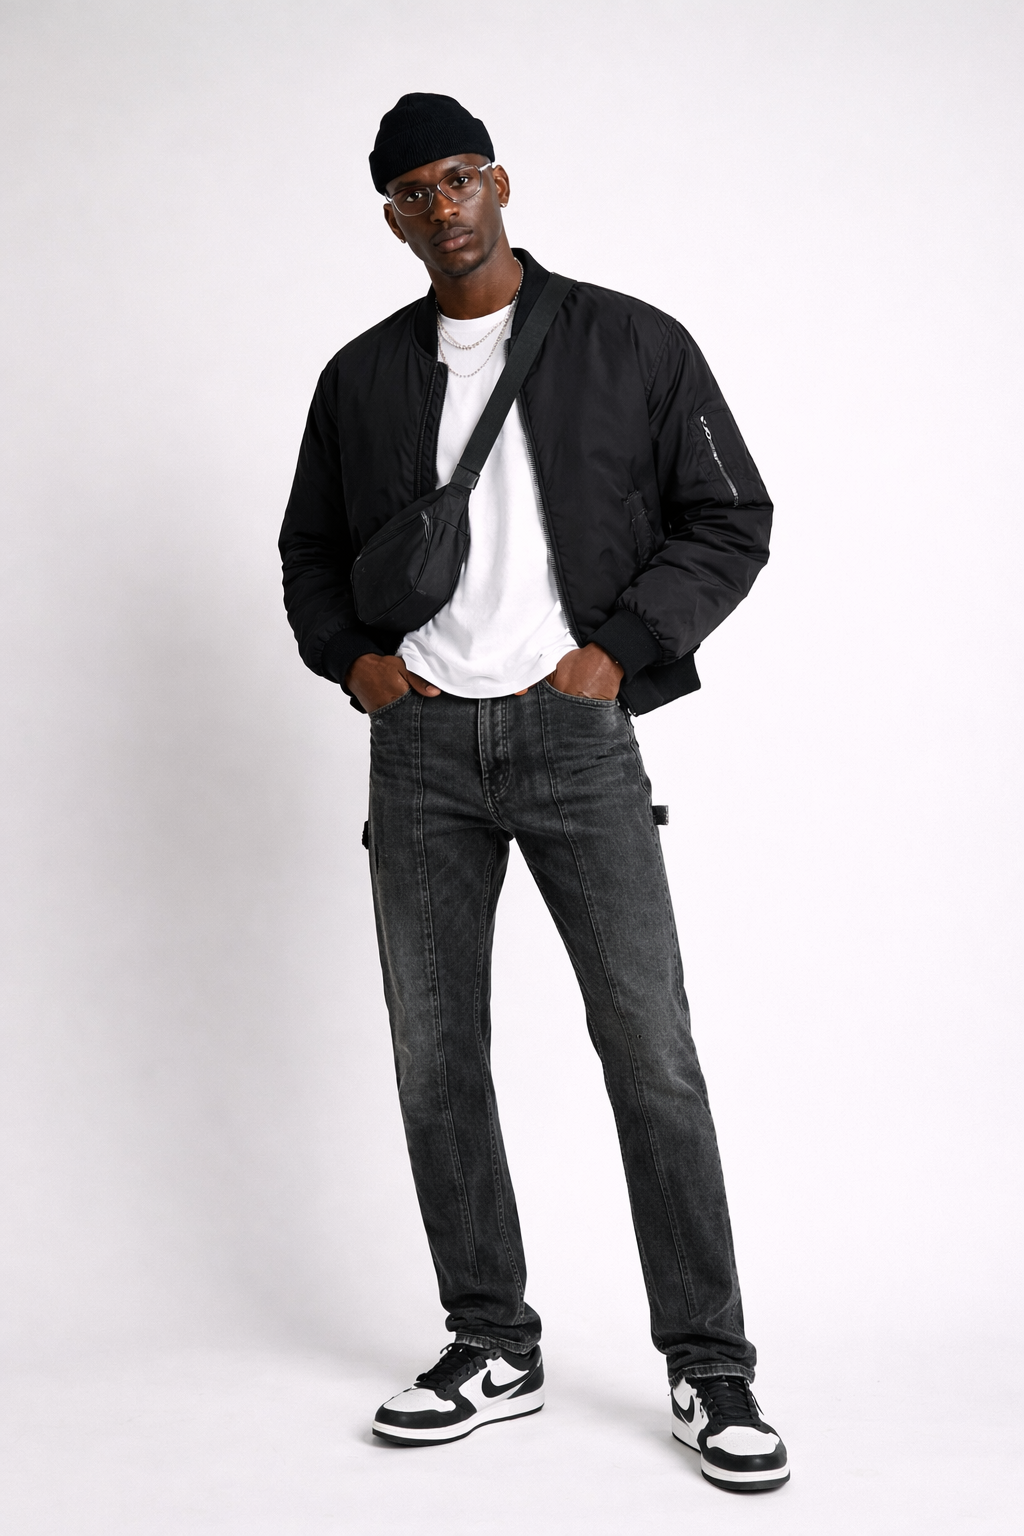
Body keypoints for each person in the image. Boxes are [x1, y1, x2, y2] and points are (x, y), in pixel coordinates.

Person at [279, 92, 788, 1494]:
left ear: (498, 181)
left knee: (651, 1052)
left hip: (576, 737)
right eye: (412, 193)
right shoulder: (360, 377)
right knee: (435, 1058)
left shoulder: (631, 341)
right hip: (421, 747)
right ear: (390, 216)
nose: (440, 207)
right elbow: (309, 550)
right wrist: (357, 665)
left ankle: (710, 1364)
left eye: (458, 179)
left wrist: (616, 653)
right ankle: (491, 1342)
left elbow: (731, 516)